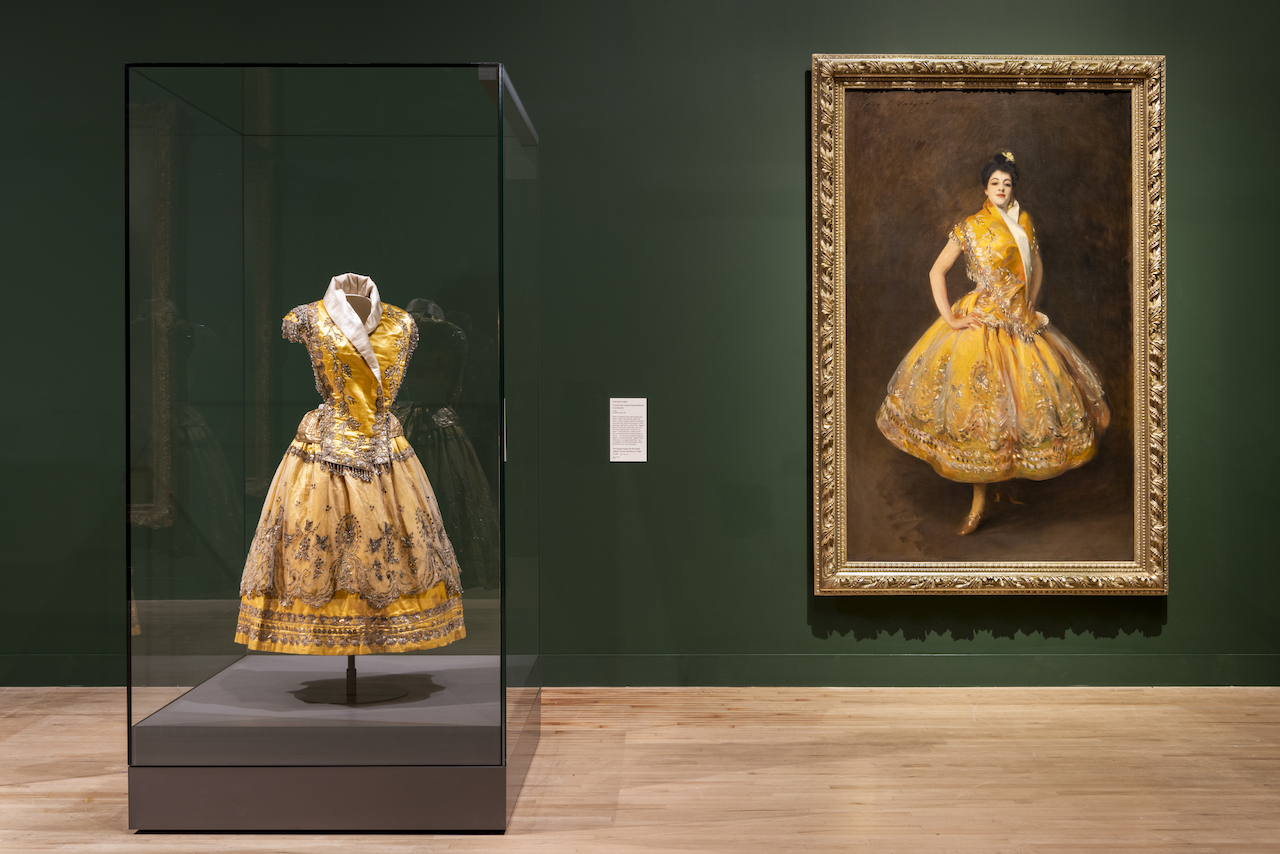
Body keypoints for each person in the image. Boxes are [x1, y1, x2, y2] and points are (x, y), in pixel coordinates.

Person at [875, 152, 1111, 535]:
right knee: (981, 412)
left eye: (1007, 184)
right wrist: (952, 319)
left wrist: (1032, 299)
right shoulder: (971, 227)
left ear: (1012, 188)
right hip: (982, 324)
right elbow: (936, 271)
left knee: (1022, 406)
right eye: (995, 184)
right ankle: (979, 502)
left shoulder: (1026, 222)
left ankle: (1005, 481)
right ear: (985, 188)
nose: (1001, 189)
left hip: (1020, 323)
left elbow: (1036, 263)